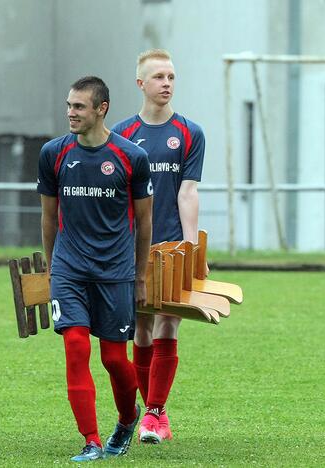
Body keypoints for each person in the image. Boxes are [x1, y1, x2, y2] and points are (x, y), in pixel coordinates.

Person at [38, 76, 153, 462]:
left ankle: (127, 418)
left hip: (115, 273)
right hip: (69, 269)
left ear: (101, 109)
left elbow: (144, 222)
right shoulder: (53, 153)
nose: (71, 113)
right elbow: (49, 217)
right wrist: (54, 267)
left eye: (79, 107)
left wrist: (140, 276)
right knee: (74, 346)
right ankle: (90, 440)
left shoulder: (130, 157)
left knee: (114, 360)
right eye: (69, 105)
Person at [112, 49, 205, 444]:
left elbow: (188, 193)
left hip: (171, 250)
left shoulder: (189, 132)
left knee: (169, 323)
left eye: (171, 76)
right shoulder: (120, 135)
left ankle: (151, 414)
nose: (166, 83)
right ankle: (155, 413)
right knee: (140, 330)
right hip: (132, 250)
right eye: (159, 77)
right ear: (140, 84)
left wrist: (191, 250)